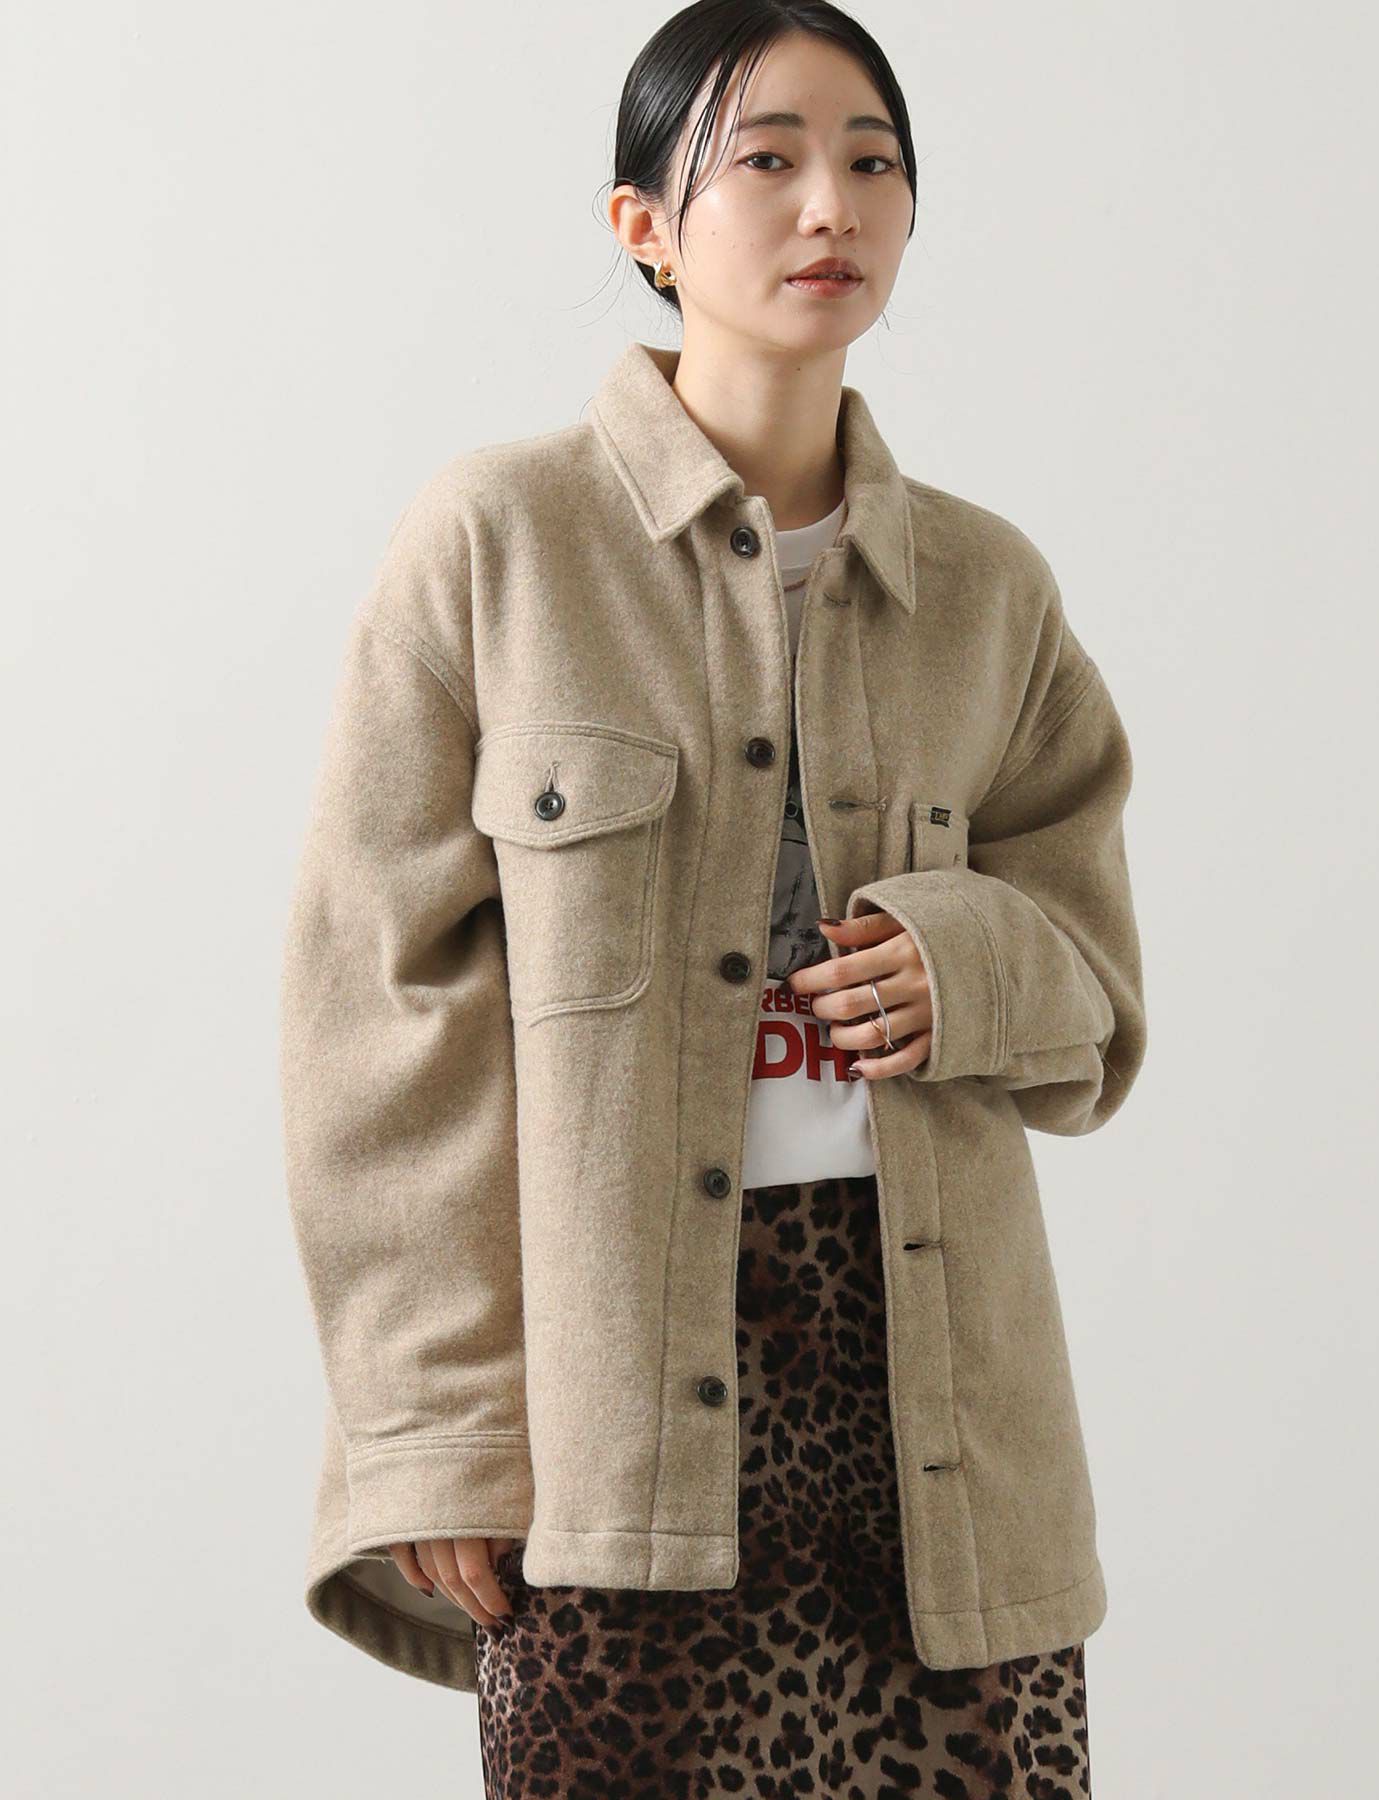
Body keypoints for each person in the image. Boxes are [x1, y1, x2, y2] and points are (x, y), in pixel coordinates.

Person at [280, 3, 1146, 1793]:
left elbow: (1096, 993)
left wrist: (966, 964)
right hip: (613, 1406)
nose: (831, 203)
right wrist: (432, 1431)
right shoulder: (500, 542)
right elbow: (378, 1014)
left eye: (873, 161)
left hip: (945, 1411)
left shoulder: (989, 588)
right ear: (646, 227)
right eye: (767, 159)